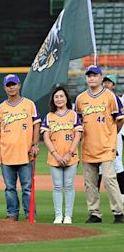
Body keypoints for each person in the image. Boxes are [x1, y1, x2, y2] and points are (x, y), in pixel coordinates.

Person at [75, 65, 124, 223]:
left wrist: (111, 135)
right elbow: (78, 122)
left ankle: (119, 212)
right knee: (90, 183)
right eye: (89, 75)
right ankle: (94, 213)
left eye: (94, 75)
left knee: (110, 180)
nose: (91, 78)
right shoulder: (80, 99)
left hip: (106, 146)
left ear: (101, 78)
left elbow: (120, 119)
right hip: (88, 146)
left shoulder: (110, 96)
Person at [0, 74, 40, 221]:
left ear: (19, 85)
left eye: (13, 84)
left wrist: (35, 144)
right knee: (9, 188)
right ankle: (12, 214)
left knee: (27, 187)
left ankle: (29, 215)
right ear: (4, 88)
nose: (11, 87)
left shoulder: (29, 104)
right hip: (7, 154)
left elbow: (36, 124)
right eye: (8, 85)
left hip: (25, 153)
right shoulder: (1, 108)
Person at [41, 86, 82, 224]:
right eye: (56, 97)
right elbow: (46, 138)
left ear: (66, 98)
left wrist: (69, 154)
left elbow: (78, 135)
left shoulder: (73, 114)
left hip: (71, 156)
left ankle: (68, 215)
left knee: (69, 186)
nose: (59, 99)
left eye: (61, 96)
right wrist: (56, 155)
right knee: (57, 186)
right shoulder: (49, 116)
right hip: (55, 157)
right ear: (53, 100)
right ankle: (58, 215)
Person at [101, 74, 124, 201]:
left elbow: (121, 120)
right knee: (98, 167)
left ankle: (122, 194)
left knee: (117, 164)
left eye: (109, 82)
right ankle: (96, 196)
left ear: (113, 85)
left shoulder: (116, 99)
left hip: (115, 135)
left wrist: (114, 134)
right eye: (105, 81)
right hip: (99, 136)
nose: (106, 84)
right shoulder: (98, 98)